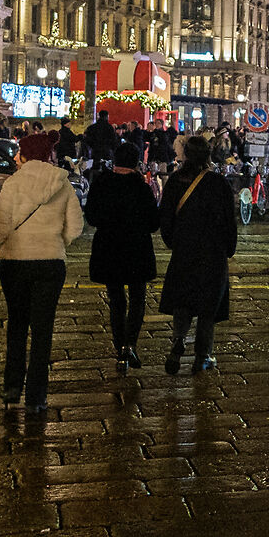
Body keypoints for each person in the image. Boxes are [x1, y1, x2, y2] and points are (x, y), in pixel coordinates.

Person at [0, 130, 86, 414]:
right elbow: (75, 226)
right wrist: (56, 241)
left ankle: (11, 389)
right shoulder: (62, 183)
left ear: (25, 154)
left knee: (17, 326)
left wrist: (8, 243)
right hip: (49, 263)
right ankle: (37, 397)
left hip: (15, 263)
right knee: (43, 331)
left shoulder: (12, 184)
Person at [161, 134, 239, 373]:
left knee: (183, 298)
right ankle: (203, 355)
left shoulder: (175, 181)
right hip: (212, 251)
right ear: (208, 156)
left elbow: (165, 216)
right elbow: (229, 220)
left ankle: (178, 341)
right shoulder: (218, 183)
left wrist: (173, 241)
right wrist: (229, 247)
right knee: (208, 305)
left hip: (184, 248)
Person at [85, 139, 159, 372]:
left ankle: (120, 349)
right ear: (136, 163)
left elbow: (92, 217)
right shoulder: (141, 187)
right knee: (137, 299)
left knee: (116, 301)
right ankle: (131, 344)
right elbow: (153, 223)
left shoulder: (102, 183)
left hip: (109, 248)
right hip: (136, 249)